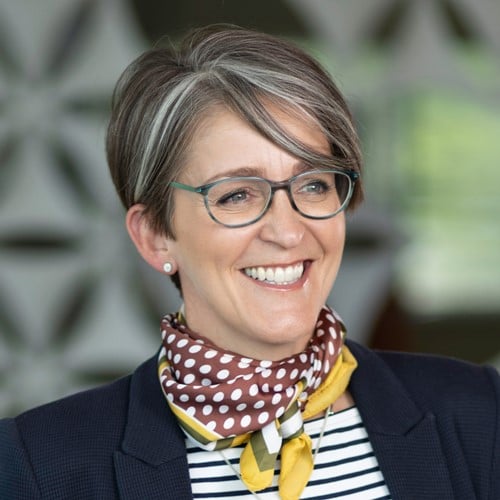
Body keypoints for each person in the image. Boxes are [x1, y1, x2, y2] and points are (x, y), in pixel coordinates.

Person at [0, 24, 498, 500]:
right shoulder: (39, 466)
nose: (288, 231)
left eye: (313, 184)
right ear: (154, 236)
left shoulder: (481, 416)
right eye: (237, 194)